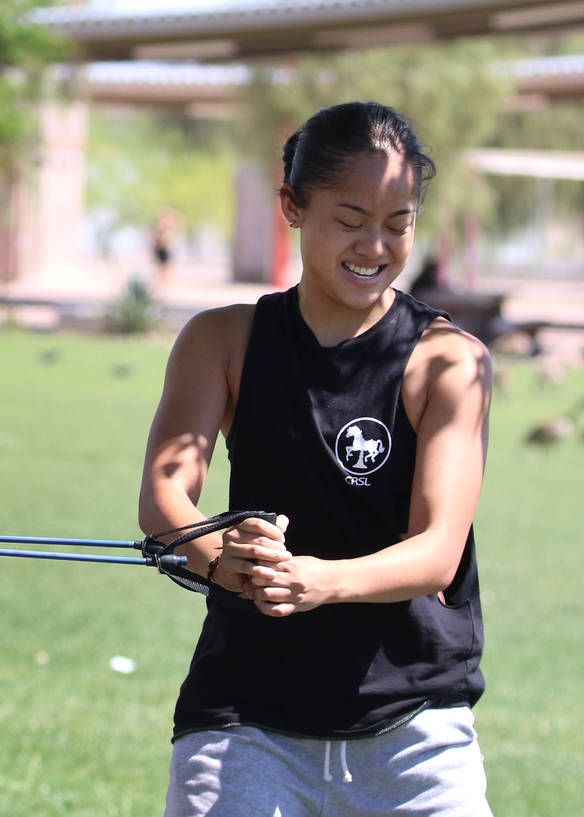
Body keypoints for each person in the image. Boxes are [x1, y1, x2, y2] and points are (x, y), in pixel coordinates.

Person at [138, 101, 492, 817]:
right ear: (292, 207)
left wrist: (319, 581)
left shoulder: (449, 361)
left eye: (399, 223)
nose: (376, 246)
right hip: (245, 720)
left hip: (414, 729)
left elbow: (437, 554)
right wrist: (216, 554)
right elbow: (164, 500)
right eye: (351, 219)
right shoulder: (221, 341)